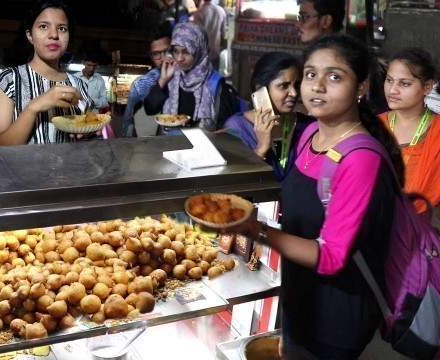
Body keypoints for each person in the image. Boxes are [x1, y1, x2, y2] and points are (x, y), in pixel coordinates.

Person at [231, 34, 403, 358]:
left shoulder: (361, 160)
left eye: (334, 76)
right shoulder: (310, 133)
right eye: (311, 74)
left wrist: (258, 232)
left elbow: (331, 256)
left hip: (335, 316)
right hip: (299, 298)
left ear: (362, 87)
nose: (317, 86)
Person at [0, 0, 93, 145]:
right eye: (43, 26)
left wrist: (89, 131)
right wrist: (33, 108)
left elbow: (83, 138)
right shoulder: (6, 82)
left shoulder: (79, 86)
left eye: (62, 29)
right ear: (30, 35)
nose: (54, 34)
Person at [221, 52, 315, 182]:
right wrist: (260, 149)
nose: (294, 93)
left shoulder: (306, 126)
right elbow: (232, 182)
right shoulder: (236, 128)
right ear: (260, 90)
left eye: (296, 85)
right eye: (283, 86)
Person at [143, 21, 239, 134]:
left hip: (203, 147)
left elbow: (228, 128)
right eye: (176, 51)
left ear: (199, 50)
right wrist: (162, 80)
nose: (179, 58)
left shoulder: (214, 82)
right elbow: (150, 109)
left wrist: (192, 128)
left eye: (186, 52)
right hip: (169, 145)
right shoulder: (171, 76)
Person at [379, 47, 440, 221]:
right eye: (389, 80)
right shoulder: (372, 126)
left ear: (427, 87)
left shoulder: (437, 132)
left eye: (404, 83)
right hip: (371, 229)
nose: (392, 90)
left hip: (420, 234)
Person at [122, 22, 172, 137]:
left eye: (167, 51)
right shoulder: (140, 85)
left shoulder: (188, 79)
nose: (163, 58)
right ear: (151, 56)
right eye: (156, 54)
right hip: (152, 148)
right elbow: (128, 123)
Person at [193, 0, 227, 69]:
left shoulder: (199, 13)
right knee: (215, 75)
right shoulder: (221, 11)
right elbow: (223, 33)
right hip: (216, 49)